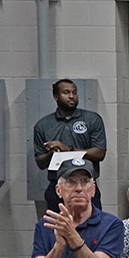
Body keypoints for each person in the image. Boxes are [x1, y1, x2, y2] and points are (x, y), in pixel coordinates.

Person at [33, 79, 107, 211]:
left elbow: (100, 153)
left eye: (74, 92)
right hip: (57, 185)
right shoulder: (43, 125)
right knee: (58, 223)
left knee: (92, 223)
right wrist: (51, 154)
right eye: (66, 92)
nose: (71, 96)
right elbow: (40, 162)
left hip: (85, 183)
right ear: (56, 96)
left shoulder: (92, 119)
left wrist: (69, 150)